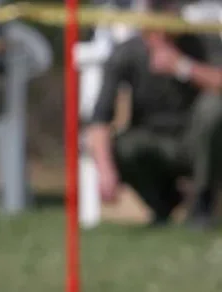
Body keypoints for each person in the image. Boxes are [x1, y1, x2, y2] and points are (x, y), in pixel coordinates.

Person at [86, 1, 222, 228]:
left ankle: (203, 203)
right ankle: (164, 205)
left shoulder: (203, 42)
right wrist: (105, 171)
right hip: (154, 142)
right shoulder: (128, 52)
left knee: (214, 106)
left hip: (199, 141)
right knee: (123, 146)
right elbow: (99, 119)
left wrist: (183, 67)